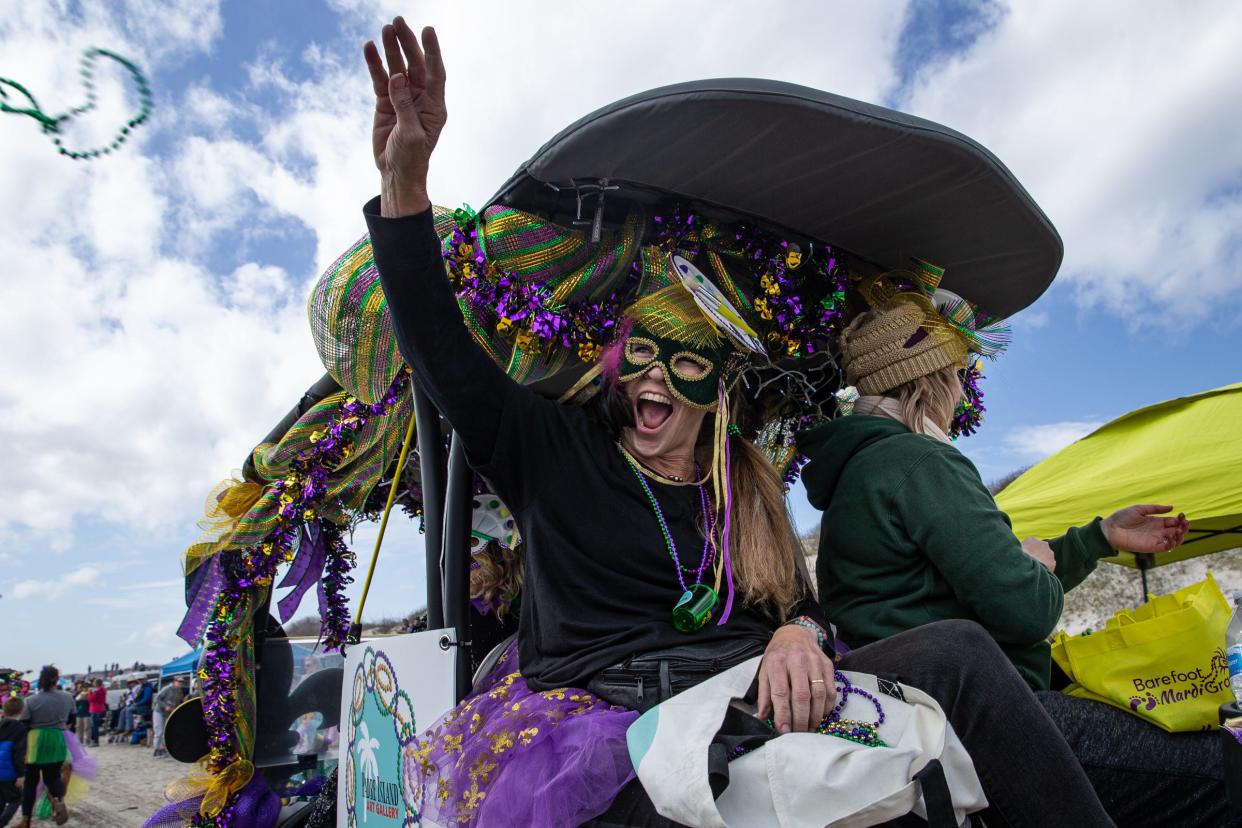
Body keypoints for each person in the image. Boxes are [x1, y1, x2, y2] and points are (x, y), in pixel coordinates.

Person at [349, 18, 1116, 827]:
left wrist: (798, 637)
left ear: (716, 386)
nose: (655, 375)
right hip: (610, 722)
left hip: (751, 689)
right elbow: (442, 353)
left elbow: (805, 604)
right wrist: (405, 186)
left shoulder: (743, 480)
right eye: (641, 353)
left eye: (683, 360)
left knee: (958, 654)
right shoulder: (555, 449)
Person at [796, 290, 1227, 826]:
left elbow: (974, 578)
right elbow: (1025, 608)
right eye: (957, 376)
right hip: (990, 718)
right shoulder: (920, 460)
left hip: (921, 715)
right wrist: (1035, 568)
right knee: (1221, 771)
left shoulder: (861, 471)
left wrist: (1098, 538)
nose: (960, 394)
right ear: (929, 381)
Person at [17, 666, 72, 826]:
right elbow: (72, 719)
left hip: (36, 741)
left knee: (30, 783)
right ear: (56, 679)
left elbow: (24, 724)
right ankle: (58, 801)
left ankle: (25, 820)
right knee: (53, 777)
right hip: (57, 738)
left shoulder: (31, 700)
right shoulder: (68, 697)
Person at [0, 697, 27, 828]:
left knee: (0, 798)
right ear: (21, 711)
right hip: (9, 772)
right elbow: (19, 754)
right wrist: (21, 774)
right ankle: (3, 821)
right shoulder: (20, 728)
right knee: (16, 798)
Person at [151, 677, 185, 758]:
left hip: (168, 713)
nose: (180, 683)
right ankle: (156, 750)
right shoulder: (167, 689)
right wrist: (165, 706)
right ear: (174, 681)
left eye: (182, 682)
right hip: (158, 712)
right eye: (179, 681)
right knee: (158, 731)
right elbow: (157, 699)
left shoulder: (179, 692)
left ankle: (162, 749)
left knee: (165, 732)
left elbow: (179, 703)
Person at [86, 680, 105, 747]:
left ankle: (95, 742)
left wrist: (90, 692)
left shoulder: (97, 691)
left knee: (94, 727)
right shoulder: (102, 690)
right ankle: (94, 741)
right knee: (94, 726)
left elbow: (90, 699)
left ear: (96, 684)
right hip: (99, 708)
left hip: (94, 709)